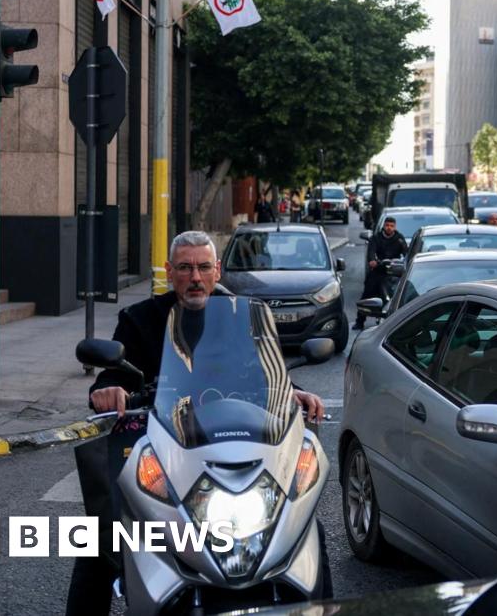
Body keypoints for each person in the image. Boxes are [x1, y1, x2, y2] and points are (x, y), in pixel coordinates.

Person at [68, 231, 324, 614]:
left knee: (300, 521)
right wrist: (109, 390)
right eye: (185, 268)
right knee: (99, 536)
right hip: (165, 447)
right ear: (170, 272)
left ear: (217, 269)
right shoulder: (140, 320)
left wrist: (294, 392)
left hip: (235, 444)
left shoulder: (242, 315)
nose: (195, 277)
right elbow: (112, 375)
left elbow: (270, 372)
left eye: (204, 267)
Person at [354, 217, 408, 330]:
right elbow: (371, 252)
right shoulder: (376, 238)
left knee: (402, 293)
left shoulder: (399, 239)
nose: (389, 228)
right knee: (367, 293)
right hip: (379, 269)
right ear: (384, 225)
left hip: (394, 271)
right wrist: (372, 261)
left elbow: (406, 253)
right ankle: (360, 321)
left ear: (395, 227)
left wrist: (405, 262)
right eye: (387, 225)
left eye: (392, 226)